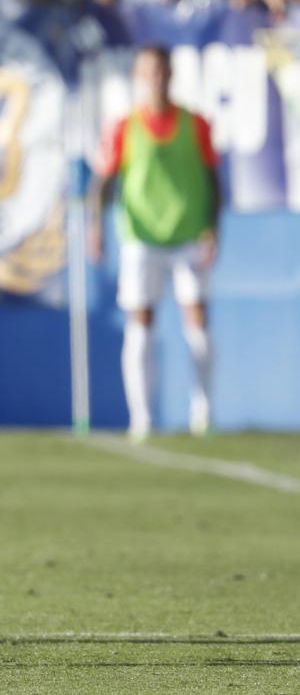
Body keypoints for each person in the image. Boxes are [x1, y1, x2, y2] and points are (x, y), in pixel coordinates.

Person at [90, 45, 220, 440]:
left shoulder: (195, 123)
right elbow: (104, 181)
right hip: (141, 237)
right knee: (141, 321)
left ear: (171, 75)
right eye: (149, 72)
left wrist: (213, 228)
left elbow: (214, 179)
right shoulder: (124, 126)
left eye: (162, 71)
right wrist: (95, 226)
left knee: (196, 320)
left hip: (187, 235)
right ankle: (141, 418)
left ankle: (203, 412)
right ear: (139, 77)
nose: (156, 79)